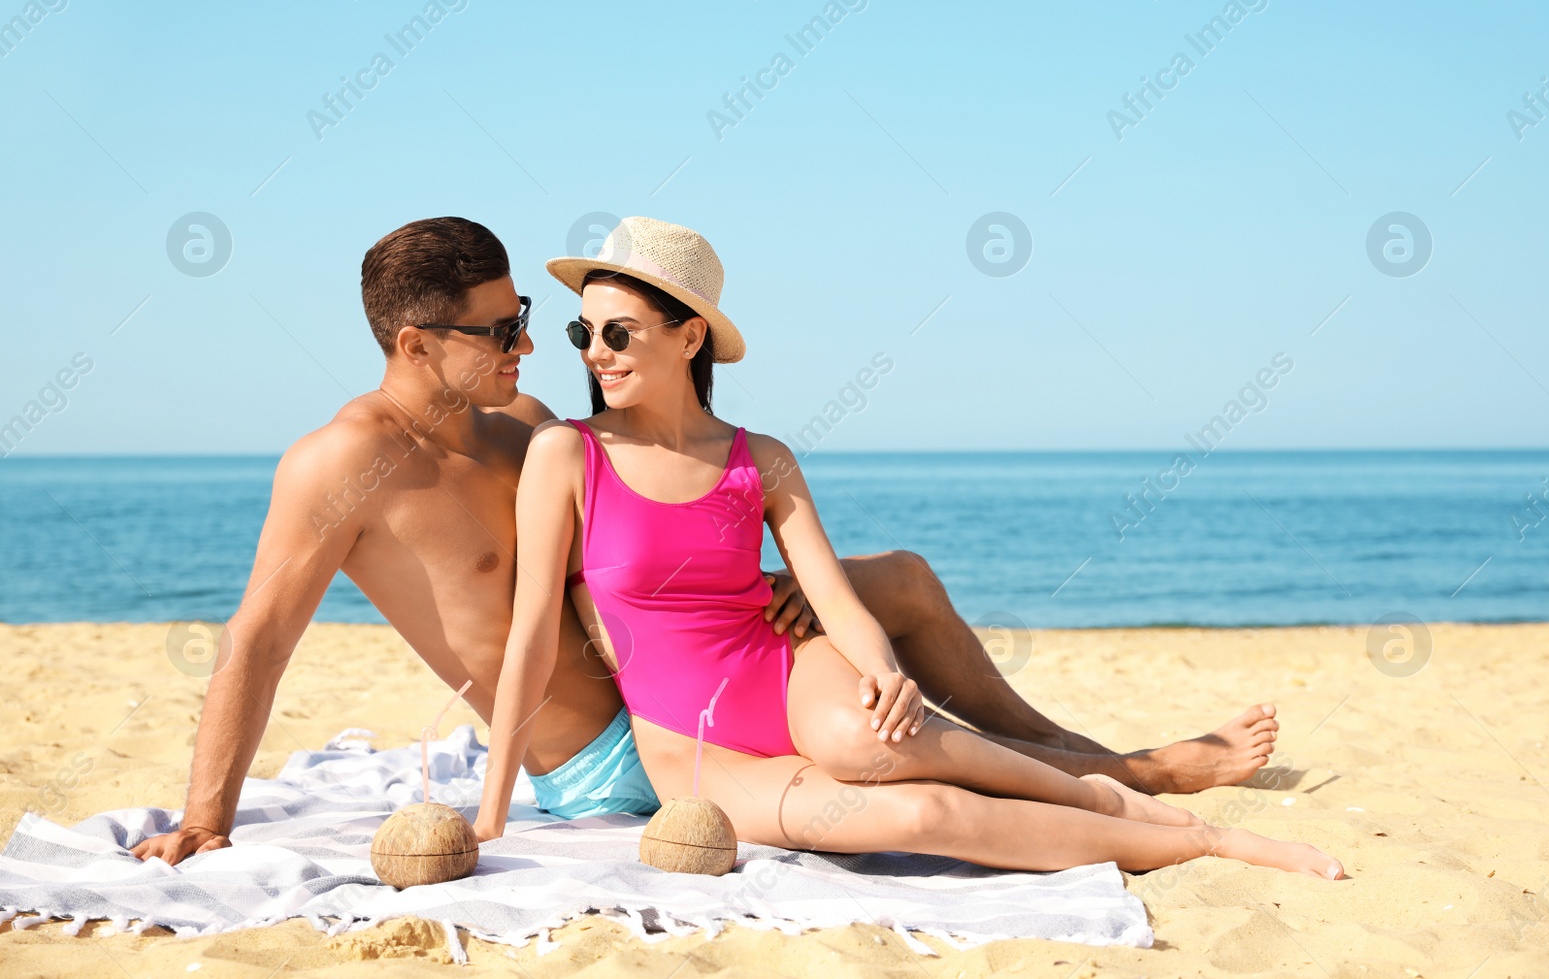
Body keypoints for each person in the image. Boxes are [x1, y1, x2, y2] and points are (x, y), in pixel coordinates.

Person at [133, 216, 1279, 867]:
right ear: (416, 339)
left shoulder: (526, 426)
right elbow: (255, 642)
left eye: (537, 323)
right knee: (900, 748)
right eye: (505, 328)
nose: (536, 346)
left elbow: (656, 537)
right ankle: (1132, 776)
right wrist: (207, 817)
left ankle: (1083, 752)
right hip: (605, 750)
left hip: (685, 669)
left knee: (894, 587)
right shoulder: (340, 464)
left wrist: (769, 583)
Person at [473, 217, 1343, 879]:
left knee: (871, 739)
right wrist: (490, 814)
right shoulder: (568, 455)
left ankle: (1161, 813)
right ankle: (1185, 837)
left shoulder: (760, 459)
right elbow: (530, 635)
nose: (595, 353)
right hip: (695, 751)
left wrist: (886, 673)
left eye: (618, 332)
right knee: (927, 818)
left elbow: (838, 600)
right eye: (585, 334)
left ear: (689, 334)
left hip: (783, 672)